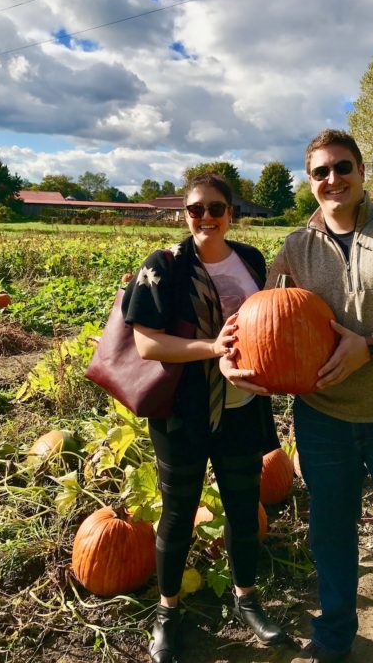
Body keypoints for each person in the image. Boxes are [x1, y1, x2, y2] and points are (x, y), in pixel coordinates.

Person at [222, 130, 373, 663]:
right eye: (320, 172)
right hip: (322, 418)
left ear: (361, 172)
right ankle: (334, 635)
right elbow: (260, 317)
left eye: (342, 167)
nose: (333, 179)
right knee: (330, 537)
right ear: (310, 182)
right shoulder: (295, 247)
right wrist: (231, 358)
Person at [122, 172, 287, 663]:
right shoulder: (166, 266)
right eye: (196, 209)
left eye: (217, 209)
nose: (206, 218)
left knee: (242, 509)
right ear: (184, 213)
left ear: (231, 213)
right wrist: (211, 349)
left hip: (241, 409)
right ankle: (167, 613)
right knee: (177, 516)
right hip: (183, 413)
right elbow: (147, 342)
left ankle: (247, 599)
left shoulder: (251, 260)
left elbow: (275, 320)